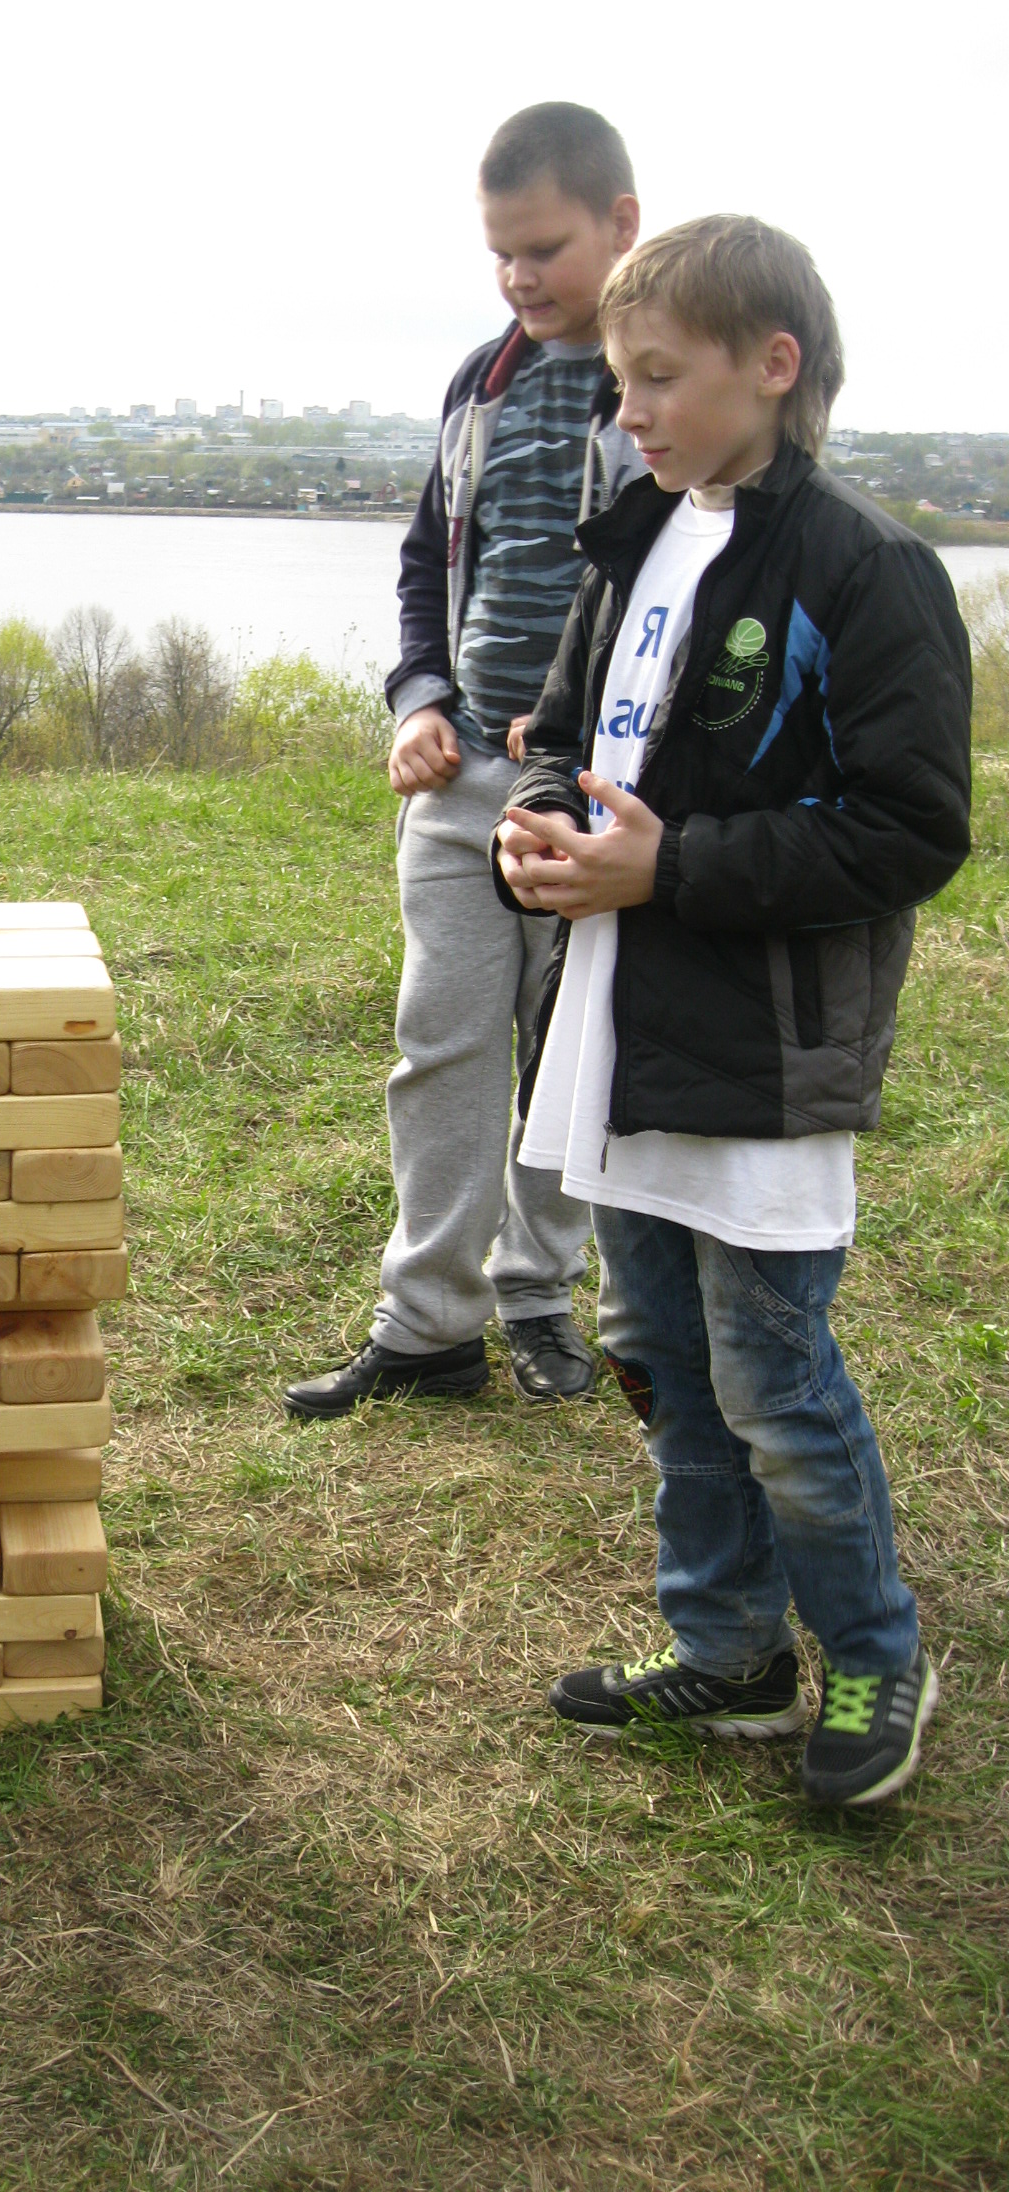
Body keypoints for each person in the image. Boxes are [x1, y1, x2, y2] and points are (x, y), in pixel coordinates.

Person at [494, 216, 971, 1805]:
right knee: (659, 1355)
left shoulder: (864, 565)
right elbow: (563, 741)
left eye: (658, 376)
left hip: (762, 1054)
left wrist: (673, 868)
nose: (628, 409)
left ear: (773, 365)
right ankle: (731, 1647)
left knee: (773, 1378)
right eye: (618, 381)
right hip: (618, 1035)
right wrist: (534, 839)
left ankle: (878, 1655)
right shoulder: (639, 538)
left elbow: (911, 830)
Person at [285, 104, 642, 1420]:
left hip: (587, 796)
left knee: (563, 1051)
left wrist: (579, 731)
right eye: (500, 253)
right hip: (458, 789)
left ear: (621, 224)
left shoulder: (659, 388)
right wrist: (418, 700)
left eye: (544, 248)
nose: (519, 277)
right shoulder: (477, 387)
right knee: (438, 1044)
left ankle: (537, 1292)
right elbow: (423, 569)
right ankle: (428, 1324)